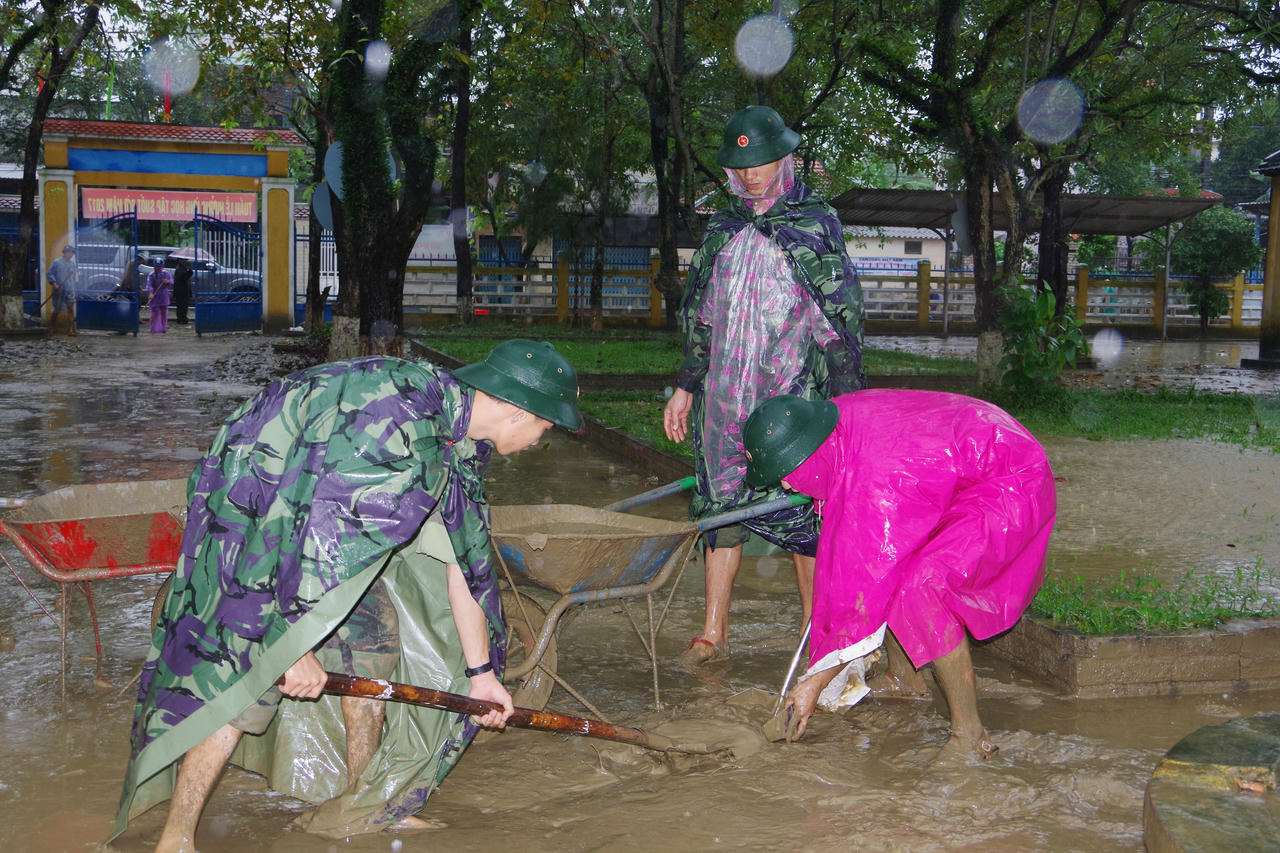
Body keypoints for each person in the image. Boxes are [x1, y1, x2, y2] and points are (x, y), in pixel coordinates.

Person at [112, 340, 583, 850]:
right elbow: (308, 534)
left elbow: (461, 558)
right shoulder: (397, 422)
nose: (542, 439)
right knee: (243, 675)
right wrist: (295, 647)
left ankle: (368, 806)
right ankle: (175, 838)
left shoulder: (456, 439)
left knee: (372, 645)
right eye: (546, 426)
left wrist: (481, 676)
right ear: (518, 410)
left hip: (313, 534)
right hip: (256, 514)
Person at [741, 391, 1057, 757]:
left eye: (785, 474)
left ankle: (970, 735)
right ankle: (905, 679)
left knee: (922, 586)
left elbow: (867, 589)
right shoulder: (829, 426)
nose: (783, 486)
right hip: (960, 466)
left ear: (808, 455)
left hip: (1011, 481)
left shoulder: (873, 478)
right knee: (896, 564)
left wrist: (815, 683)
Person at [662, 105, 866, 666]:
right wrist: (685, 385)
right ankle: (712, 633)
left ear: (784, 157)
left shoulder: (816, 222)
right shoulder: (722, 228)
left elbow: (840, 318)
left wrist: (847, 405)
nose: (750, 174)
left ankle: (815, 632)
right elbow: (700, 313)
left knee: (804, 511)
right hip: (724, 399)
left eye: (761, 162)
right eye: (740, 164)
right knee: (719, 508)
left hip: (790, 399)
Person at [47, 244, 78, 335]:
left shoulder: (72, 265)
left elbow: (74, 278)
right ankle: (52, 328)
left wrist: (75, 291)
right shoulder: (57, 262)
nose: (70, 254)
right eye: (68, 252)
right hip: (59, 290)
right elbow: (50, 274)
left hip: (70, 290)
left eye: (72, 252)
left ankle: (70, 330)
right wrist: (54, 284)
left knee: (70, 309)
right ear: (64, 253)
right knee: (56, 309)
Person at [145, 258, 173, 334]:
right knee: (154, 313)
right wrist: (150, 293)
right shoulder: (151, 275)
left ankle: (163, 327)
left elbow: (171, 282)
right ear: (154, 266)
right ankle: (153, 328)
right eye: (156, 266)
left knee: (164, 312)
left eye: (159, 266)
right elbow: (149, 284)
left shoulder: (166, 273)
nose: (158, 268)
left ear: (162, 266)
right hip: (155, 295)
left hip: (163, 295)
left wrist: (167, 281)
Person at [172, 257, 193, 324]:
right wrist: (189, 273)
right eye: (184, 259)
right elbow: (183, 279)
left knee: (182, 305)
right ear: (179, 260)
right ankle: (182, 319)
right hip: (181, 291)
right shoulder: (179, 268)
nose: (185, 261)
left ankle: (181, 318)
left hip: (182, 290)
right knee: (182, 306)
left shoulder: (182, 267)